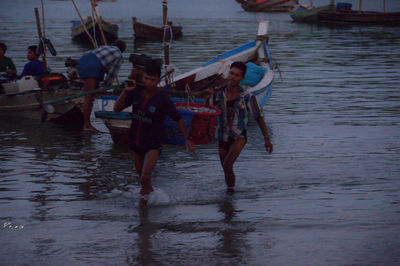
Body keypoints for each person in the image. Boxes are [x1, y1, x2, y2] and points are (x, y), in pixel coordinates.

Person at [113, 64, 195, 208]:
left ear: (158, 81)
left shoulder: (162, 98)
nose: (149, 82)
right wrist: (125, 92)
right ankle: (152, 199)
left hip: (153, 144)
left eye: (152, 80)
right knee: (143, 180)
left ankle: (142, 208)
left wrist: (187, 139)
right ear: (143, 78)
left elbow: (178, 119)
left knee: (145, 177)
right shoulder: (135, 92)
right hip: (135, 141)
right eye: (146, 78)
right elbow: (117, 109)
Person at [207, 61, 273, 194]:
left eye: (237, 75)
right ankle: (230, 194)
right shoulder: (218, 94)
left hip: (239, 135)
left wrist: (266, 139)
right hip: (221, 135)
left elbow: (259, 117)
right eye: (231, 73)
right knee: (226, 169)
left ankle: (230, 197)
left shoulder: (247, 97)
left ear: (242, 78)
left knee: (227, 165)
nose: (232, 77)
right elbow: (208, 112)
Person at [77, 39, 126, 132]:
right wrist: (106, 86)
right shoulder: (119, 54)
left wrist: (100, 87)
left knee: (91, 95)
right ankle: (87, 125)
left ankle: (86, 122)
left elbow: (101, 65)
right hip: (91, 66)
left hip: (83, 61)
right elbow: (112, 74)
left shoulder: (105, 47)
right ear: (122, 50)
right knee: (89, 97)